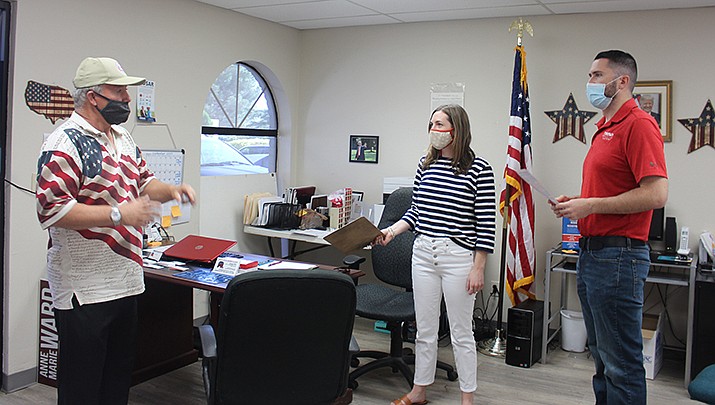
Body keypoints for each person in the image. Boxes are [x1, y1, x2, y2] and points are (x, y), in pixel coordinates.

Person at [35, 57, 196, 405]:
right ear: (93, 96)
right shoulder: (65, 143)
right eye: (119, 90)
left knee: (115, 383)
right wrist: (118, 214)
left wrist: (170, 191)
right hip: (83, 290)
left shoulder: (122, 137)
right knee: (83, 388)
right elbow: (52, 211)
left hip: (125, 282)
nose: (127, 97)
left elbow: (143, 180)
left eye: (127, 90)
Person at [550, 50, 668, 405]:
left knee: (621, 363)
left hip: (618, 257)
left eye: (597, 75)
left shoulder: (638, 124)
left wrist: (591, 205)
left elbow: (657, 193)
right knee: (601, 356)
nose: (590, 83)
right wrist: (578, 202)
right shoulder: (604, 127)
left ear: (622, 81)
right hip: (593, 253)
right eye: (590, 75)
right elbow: (609, 191)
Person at [376, 104, 496, 405]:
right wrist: (392, 232)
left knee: (461, 332)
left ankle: (467, 398)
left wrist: (478, 268)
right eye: (431, 124)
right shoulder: (425, 165)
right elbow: (417, 211)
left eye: (440, 124)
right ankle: (419, 391)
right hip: (423, 254)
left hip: (457, 256)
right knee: (424, 329)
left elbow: (486, 224)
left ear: (456, 129)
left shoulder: (479, 170)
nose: (434, 130)